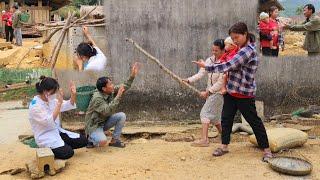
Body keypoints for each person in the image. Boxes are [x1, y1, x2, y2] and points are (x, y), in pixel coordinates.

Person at [193, 22, 273, 162]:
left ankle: (266, 150)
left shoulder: (247, 50)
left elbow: (229, 65)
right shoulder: (240, 47)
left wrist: (207, 67)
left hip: (243, 92)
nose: (234, 41)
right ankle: (224, 146)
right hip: (231, 91)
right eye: (232, 38)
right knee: (226, 119)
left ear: (245, 34)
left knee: (254, 121)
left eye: (236, 37)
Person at [29, 76, 88, 159]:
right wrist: (59, 104)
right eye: (54, 92)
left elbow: (69, 104)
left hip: (56, 132)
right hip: (45, 136)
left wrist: (73, 94)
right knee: (68, 153)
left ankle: (62, 145)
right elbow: (48, 122)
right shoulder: (35, 106)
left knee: (83, 140)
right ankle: (51, 148)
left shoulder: (51, 100)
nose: (55, 94)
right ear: (46, 91)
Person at [85, 62, 140, 148]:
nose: (113, 85)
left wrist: (132, 76)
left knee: (121, 116)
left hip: (104, 122)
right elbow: (107, 111)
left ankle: (114, 140)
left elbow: (124, 86)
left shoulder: (110, 90)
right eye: (110, 84)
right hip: (94, 125)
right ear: (104, 88)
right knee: (102, 142)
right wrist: (118, 96)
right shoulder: (97, 98)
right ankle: (90, 138)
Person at [182, 39, 225, 147]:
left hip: (218, 93)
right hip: (210, 91)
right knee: (215, 117)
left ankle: (205, 140)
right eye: (212, 50)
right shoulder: (209, 60)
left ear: (223, 50)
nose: (214, 52)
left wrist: (208, 92)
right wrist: (188, 80)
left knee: (205, 113)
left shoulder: (225, 63)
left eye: (216, 50)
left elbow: (221, 82)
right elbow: (201, 73)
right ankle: (225, 136)